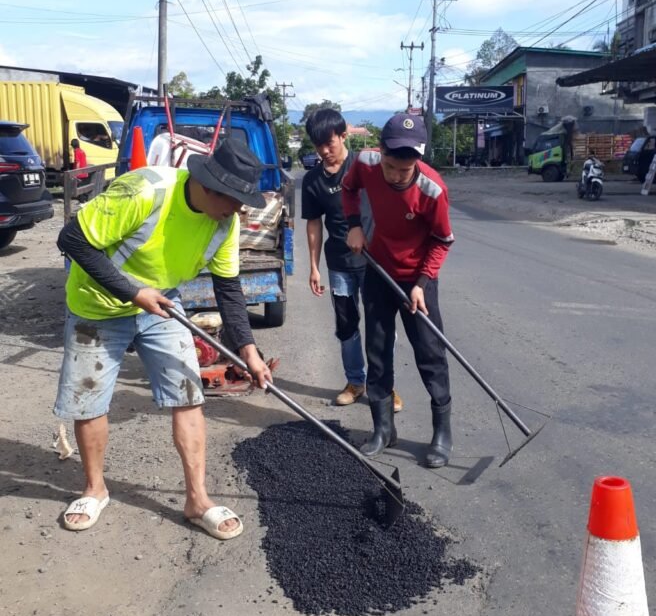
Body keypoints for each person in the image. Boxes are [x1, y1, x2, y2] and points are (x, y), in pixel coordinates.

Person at [54, 136, 273, 539]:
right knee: (89, 400)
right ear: (208, 187)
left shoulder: (226, 222)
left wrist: (249, 352)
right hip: (97, 305)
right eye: (234, 199)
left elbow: (229, 290)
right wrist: (134, 292)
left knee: (189, 396)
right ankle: (94, 489)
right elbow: (71, 240)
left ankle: (197, 500)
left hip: (162, 304)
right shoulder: (145, 192)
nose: (238, 210)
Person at [342, 113, 454, 468]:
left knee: (429, 353)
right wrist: (355, 226)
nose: (394, 176)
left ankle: (442, 433)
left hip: (418, 278)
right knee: (376, 350)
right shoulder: (365, 162)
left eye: (404, 171)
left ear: (418, 161)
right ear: (380, 153)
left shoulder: (432, 190)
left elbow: (441, 240)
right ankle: (383, 428)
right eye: (390, 167)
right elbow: (348, 189)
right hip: (378, 269)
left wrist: (422, 284)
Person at [301, 107, 402, 411]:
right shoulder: (312, 181)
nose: (324, 151)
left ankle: (384, 386)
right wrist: (314, 267)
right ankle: (356, 383)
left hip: (374, 262)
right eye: (318, 145)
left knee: (379, 326)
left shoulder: (367, 166)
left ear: (344, 136)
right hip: (340, 265)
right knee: (346, 326)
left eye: (329, 144)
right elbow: (314, 224)